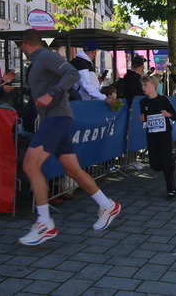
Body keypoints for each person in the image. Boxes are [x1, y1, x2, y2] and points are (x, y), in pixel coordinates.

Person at [18, 29, 121, 246]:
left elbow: (72, 74)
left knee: (29, 165)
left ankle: (44, 223)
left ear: (25, 43)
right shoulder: (38, 61)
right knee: (72, 169)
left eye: (21, 45)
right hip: (54, 119)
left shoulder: (46, 56)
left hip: (57, 118)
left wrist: (52, 94)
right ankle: (107, 205)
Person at [139, 75, 176, 200]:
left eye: (145, 85)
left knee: (166, 164)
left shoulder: (163, 100)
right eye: (142, 86)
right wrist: (143, 119)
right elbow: (144, 118)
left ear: (153, 85)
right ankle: (171, 160)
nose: (143, 88)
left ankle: (171, 189)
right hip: (152, 135)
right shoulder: (143, 102)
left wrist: (168, 114)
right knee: (155, 165)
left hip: (164, 135)